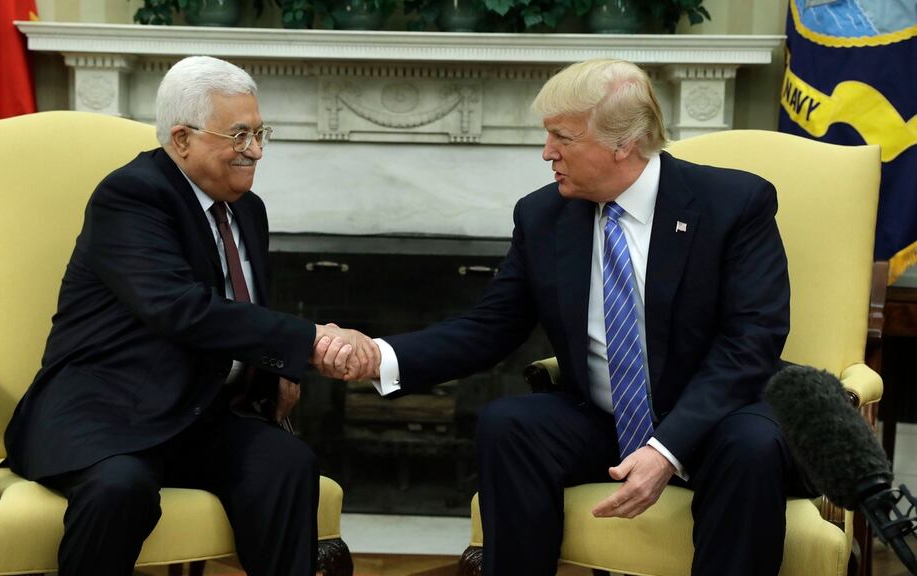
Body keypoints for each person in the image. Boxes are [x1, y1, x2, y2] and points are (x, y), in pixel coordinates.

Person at [322, 58, 814, 575]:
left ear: (624, 142)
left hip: (717, 415)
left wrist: (667, 448)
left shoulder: (733, 203)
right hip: (607, 418)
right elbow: (488, 328)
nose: (547, 153)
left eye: (563, 137)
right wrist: (379, 355)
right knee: (508, 424)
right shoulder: (543, 216)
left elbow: (750, 340)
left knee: (752, 446)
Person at [3, 56, 369, 576]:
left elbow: (243, 312)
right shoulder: (131, 196)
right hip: (107, 412)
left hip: (197, 413)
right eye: (240, 136)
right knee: (121, 488)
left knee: (287, 464)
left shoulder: (247, 209)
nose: (256, 151)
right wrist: (309, 340)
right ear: (182, 139)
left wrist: (276, 369)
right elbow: (182, 310)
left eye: (260, 132)